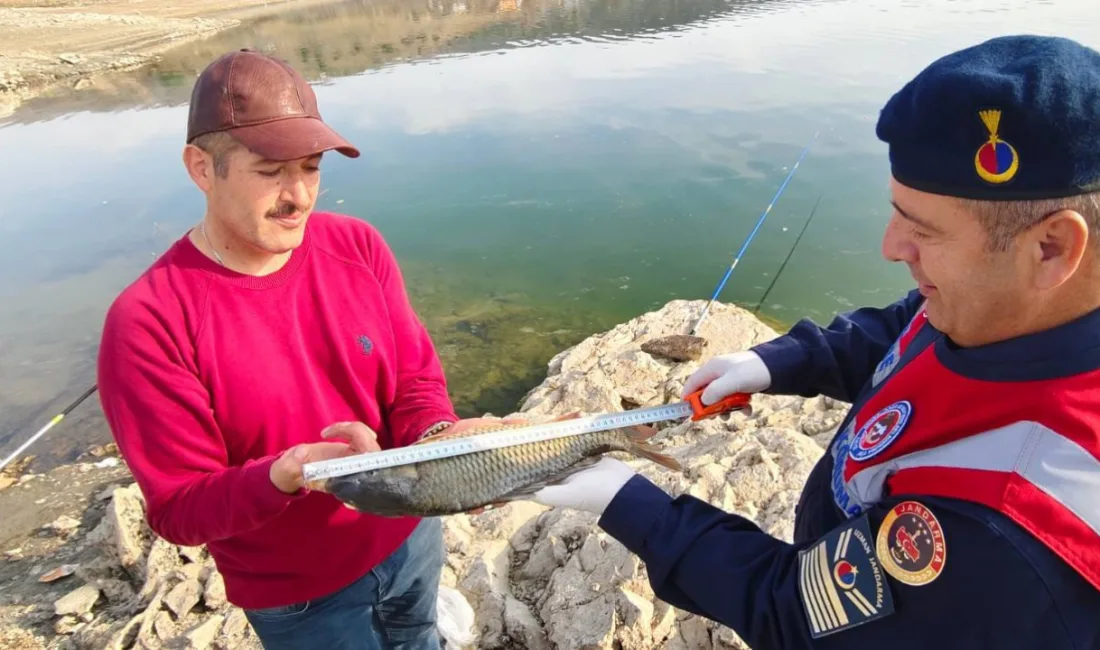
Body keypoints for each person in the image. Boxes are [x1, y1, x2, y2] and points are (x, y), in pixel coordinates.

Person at [531, 34, 1100, 649]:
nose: (890, 247)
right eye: (895, 213)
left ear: (1051, 249)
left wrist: (631, 502)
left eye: (923, 231)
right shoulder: (996, 306)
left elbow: (797, 612)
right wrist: (772, 363)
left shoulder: (1012, 522)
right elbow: (902, 329)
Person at [97, 48, 500, 649]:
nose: (299, 196)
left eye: (311, 167)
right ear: (202, 168)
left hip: (410, 540)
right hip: (302, 598)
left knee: (421, 640)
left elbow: (414, 380)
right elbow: (178, 508)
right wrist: (284, 475)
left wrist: (437, 439)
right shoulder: (148, 323)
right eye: (269, 171)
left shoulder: (358, 247)